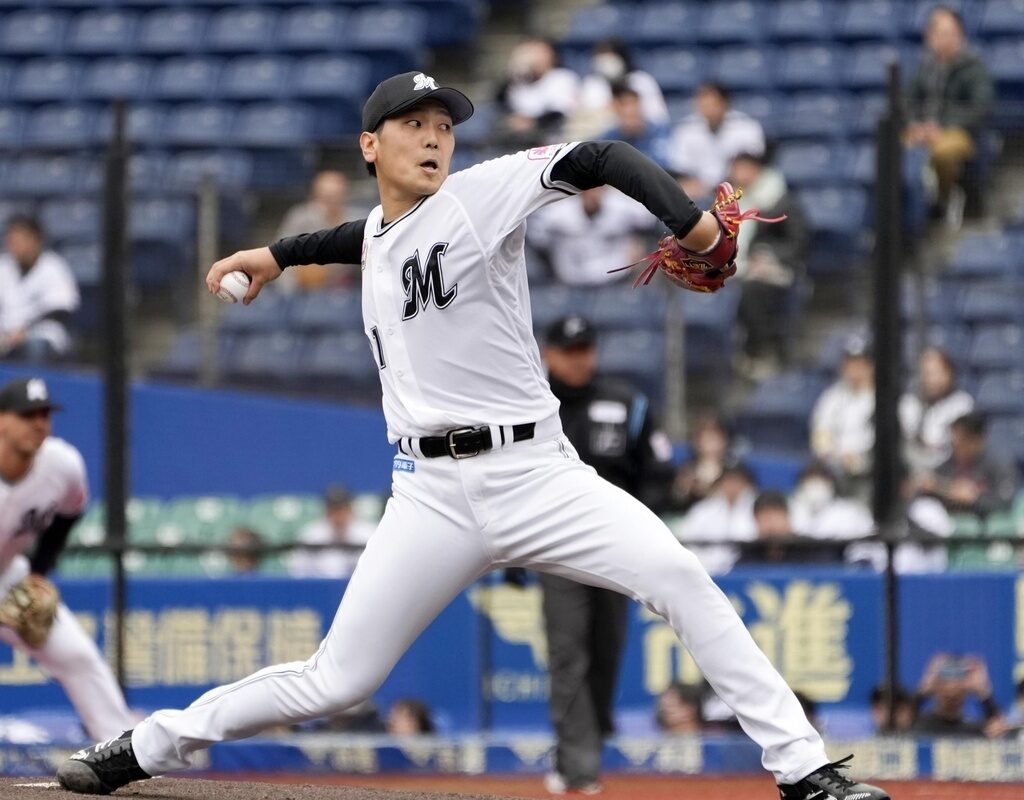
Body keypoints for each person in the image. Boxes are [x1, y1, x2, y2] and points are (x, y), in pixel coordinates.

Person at [59, 71, 888, 800]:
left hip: (535, 473)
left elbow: (601, 156)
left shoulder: (478, 195)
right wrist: (276, 255)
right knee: (336, 680)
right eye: (413, 124)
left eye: (444, 126)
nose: (433, 137)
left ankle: (803, 770)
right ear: (369, 145)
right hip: (430, 497)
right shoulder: (381, 236)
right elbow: (360, 240)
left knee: (679, 574)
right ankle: (146, 745)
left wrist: (692, 222)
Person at [539, 315, 674, 794]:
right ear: (549, 354)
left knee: (606, 649)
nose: (579, 360)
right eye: (569, 351)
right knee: (568, 651)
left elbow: (658, 472)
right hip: (554, 545)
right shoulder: (529, 404)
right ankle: (579, 765)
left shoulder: (626, 402)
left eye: (586, 350)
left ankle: (583, 744)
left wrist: (643, 525)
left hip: (617, 545)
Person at [0, 378, 134, 740]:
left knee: (77, 657)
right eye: (27, 415)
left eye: (44, 415)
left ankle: (123, 755)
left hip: (7, 576)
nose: (39, 424)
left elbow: (68, 515)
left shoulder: (62, 464)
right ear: (1, 420)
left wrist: (38, 572)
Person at [904, 6, 994, 219]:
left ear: (960, 35)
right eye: (937, 32)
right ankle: (909, 210)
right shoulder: (924, 66)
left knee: (944, 152)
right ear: (929, 36)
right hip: (923, 130)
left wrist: (941, 126)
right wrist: (916, 125)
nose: (943, 38)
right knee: (894, 149)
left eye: (948, 33)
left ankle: (941, 200)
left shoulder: (973, 67)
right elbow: (907, 101)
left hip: (958, 132)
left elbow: (980, 108)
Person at [728, 152, 809, 379]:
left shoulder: (780, 200)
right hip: (738, 267)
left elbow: (798, 241)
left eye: (744, 167)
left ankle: (760, 351)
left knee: (752, 290)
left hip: (776, 268)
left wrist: (769, 256)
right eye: (736, 168)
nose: (739, 174)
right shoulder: (730, 201)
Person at [526, 184, 657, 285]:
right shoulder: (559, 212)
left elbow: (651, 222)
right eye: (590, 188)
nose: (594, 194)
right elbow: (536, 237)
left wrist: (641, 248)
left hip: (615, 282)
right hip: (569, 282)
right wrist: (550, 260)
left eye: (598, 188)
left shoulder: (621, 206)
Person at [0, 215, 80, 362]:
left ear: (35, 239)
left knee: (35, 346)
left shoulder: (53, 266)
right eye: (11, 239)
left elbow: (61, 310)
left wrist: (25, 330)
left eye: (19, 239)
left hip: (41, 336)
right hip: (6, 336)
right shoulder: (4, 266)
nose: (14, 244)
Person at [911, 412, 1018, 519]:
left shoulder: (999, 464)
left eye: (962, 441)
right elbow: (934, 483)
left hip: (984, 522)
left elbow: (1006, 500)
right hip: (947, 522)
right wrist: (934, 487)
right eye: (954, 442)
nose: (956, 446)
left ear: (976, 440)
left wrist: (976, 498)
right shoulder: (948, 464)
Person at [668, 83, 765, 199]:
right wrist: (692, 182)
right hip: (698, 188)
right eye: (703, 105)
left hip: (736, 185)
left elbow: (753, 164)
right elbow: (679, 167)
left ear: (725, 104)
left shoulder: (746, 126)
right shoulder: (685, 129)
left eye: (712, 105)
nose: (708, 110)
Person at [810, 338, 875, 499]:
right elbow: (821, 434)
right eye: (849, 364)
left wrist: (860, 459)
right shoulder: (833, 396)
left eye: (859, 364)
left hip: (869, 474)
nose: (853, 369)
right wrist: (833, 455)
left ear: (870, 366)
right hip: (834, 470)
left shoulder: (883, 398)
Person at [899, 347, 975, 476]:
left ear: (949, 373)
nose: (930, 380)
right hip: (912, 471)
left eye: (935, 373)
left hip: (948, 473)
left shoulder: (962, 404)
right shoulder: (909, 403)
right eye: (926, 374)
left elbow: (962, 447)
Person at [274, 170, 354, 292]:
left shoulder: (355, 221)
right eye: (326, 197)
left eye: (336, 196)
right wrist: (291, 291)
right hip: (302, 290)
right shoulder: (300, 218)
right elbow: (279, 256)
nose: (332, 202)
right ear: (316, 195)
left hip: (345, 290)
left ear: (344, 195)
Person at [674, 461, 758, 575]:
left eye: (737, 481)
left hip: (742, 570)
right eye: (728, 480)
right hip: (704, 571)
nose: (732, 486)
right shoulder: (702, 510)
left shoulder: (757, 509)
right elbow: (685, 539)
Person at [496, 38, 579, 146]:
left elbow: (562, 112)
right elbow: (500, 102)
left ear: (551, 55)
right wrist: (512, 72)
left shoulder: (561, 77)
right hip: (519, 135)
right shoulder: (521, 79)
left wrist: (533, 121)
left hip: (552, 134)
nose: (533, 57)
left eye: (539, 53)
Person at [286, 485, 374, 580]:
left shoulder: (369, 534)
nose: (338, 515)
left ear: (350, 509)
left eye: (342, 509)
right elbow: (298, 572)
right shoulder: (310, 536)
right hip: (320, 588)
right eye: (334, 509)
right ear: (326, 510)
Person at [734, 491, 843, 567]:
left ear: (787, 518)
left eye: (774, 517)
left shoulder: (811, 549)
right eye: (763, 519)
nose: (770, 526)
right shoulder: (749, 555)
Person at [578, 39, 669, 128]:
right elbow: (584, 117)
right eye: (601, 56)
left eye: (609, 56)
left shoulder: (641, 80)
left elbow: (658, 116)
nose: (604, 62)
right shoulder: (592, 83)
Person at [912, 654, 1008, 738]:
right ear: (935, 687)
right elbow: (905, 717)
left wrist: (984, 693)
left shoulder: (975, 730)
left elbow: (998, 728)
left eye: (957, 684)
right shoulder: (917, 726)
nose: (951, 688)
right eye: (944, 683)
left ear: (966, 689)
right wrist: (923, 691)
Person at [789, 462, 873, 542]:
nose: (816, 485)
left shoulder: (851, 512)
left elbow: (868, 541)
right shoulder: (790, 510)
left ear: (831, 483)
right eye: (810, 480)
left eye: (821, 480)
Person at [669, 415, 733, 512]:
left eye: (716, 439)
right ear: (697, 443)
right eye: (707, 440)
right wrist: (684, 489)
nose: (712, 446)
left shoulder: (732, 470)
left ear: (724, 441)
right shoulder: (688, 471)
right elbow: (677, 499)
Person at [598, 83, 672, 169]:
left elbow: (667, 165)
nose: (632, 109)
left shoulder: (660, 130)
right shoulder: (607, 139)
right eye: (625, 104)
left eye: (634, 102)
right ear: (616, 108)